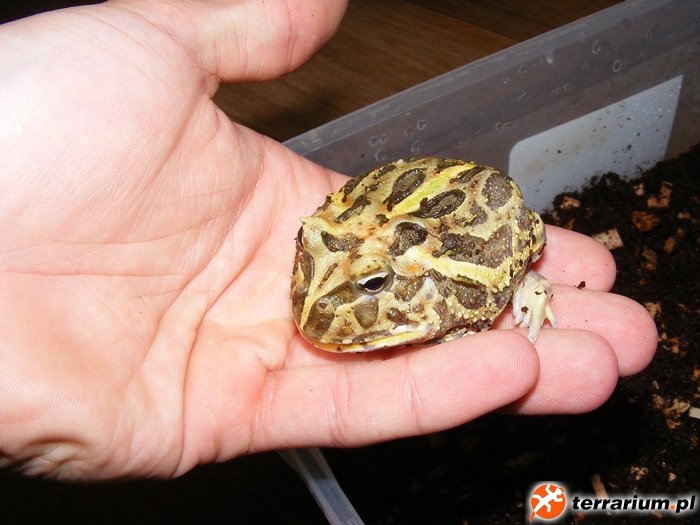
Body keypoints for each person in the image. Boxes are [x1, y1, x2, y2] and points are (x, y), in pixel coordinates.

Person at [0, 0, 656, 480]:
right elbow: (335, 236)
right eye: (306, 249)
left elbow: (499, 260)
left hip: (455, 224)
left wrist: (523, 286)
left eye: (369, 285)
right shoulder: (330, 239)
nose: (313, 295)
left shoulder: (448, 291)